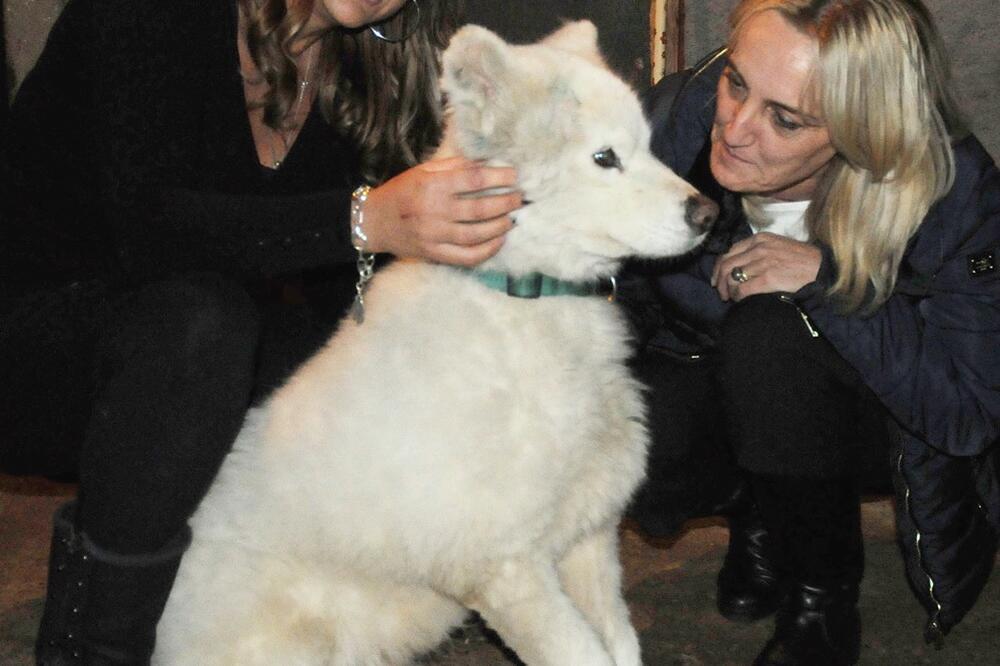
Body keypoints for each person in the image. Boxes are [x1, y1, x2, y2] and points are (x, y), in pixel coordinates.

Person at [0, 0, 524, 662]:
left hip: (191, 363)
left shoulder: (371, 71)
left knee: (382, 360)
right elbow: (148, 236)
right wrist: (363, 220)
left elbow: (343, 293)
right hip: (35, 345)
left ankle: (303, 631)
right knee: (200, 326)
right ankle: (93, 652)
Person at [623, 0, 1000, 664]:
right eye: (736, 82)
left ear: (861, 132)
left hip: (861, 417)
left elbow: (966, 415)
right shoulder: (676, 121)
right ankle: (764, 510)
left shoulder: (954, 191)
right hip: (715, 373)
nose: (734, 128)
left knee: (772, 340)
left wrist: (830, 286)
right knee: (619, 429)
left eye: (785, 119)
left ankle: (821, 597)